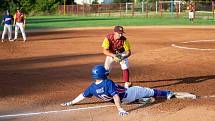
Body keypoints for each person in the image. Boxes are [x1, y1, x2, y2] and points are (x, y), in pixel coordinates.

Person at [61, 65, 175, 116]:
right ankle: (168, 93)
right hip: (127, 95)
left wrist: (71, 102)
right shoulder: (107, 82)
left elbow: (82, 95)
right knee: (147, 91)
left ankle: (138, 98)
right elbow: (115, 96)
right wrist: (120, 109)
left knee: (126, 88)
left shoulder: (92, 88)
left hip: (123, 98)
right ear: (102, 75)